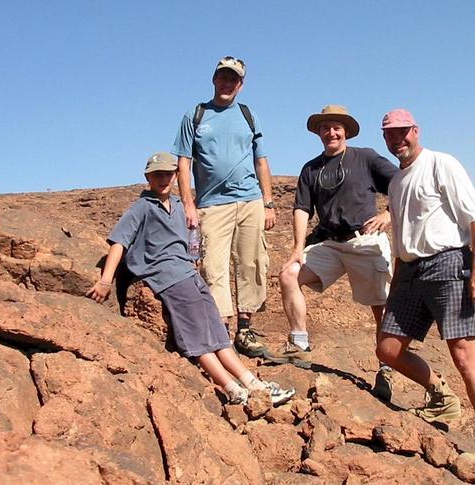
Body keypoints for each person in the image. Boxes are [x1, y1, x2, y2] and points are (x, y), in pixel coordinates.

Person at [86, 152, 294, 407]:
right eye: (157, 174)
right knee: (197, 335)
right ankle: (232, 388)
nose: (163, 179)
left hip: (189, 274)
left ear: (175, 176)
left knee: (217, 331)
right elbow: (119, 241)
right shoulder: (142, 207)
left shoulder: (177, 205)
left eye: (167, 174)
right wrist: (106, 280)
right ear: (147, 177)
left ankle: (253, 383)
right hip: (168, 277)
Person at [377, 109, 475, 472]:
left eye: (403, 132)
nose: (397, 139)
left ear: (416, 131)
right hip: (411, 270)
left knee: (464, 356)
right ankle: (441, 396)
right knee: (387, 349)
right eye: (390, 134)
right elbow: (401, 236)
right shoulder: (397, 183)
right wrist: (397, 281)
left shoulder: (441, 163)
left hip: (448, 263)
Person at [266, 105, 398, 401]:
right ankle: (299, 345)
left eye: (337, 127)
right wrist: (297, 248)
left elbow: (401, 184)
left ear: (346, 131)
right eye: (325, 128)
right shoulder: (311, 169)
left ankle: (386, 369)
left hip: (364, 242)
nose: (331, 132)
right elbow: (301, 208)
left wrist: (389, 215)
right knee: (289, 274)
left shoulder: (365, 157)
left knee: (381, 308)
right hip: (330, 243)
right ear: (319, 133)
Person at [171, 56, 275, 358]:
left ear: (240, 85)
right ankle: (221, 331)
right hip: (212, 205)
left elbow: (261, 160)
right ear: (214, 80)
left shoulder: (248, 115)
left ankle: (245, 328)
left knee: (252, 263)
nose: (227, 83)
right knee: (213, 267)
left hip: (250, 200)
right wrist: (188, 203)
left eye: (234, 79)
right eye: (223, 77)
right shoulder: (196, 115)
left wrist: (268, 203)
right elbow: (183, 162)